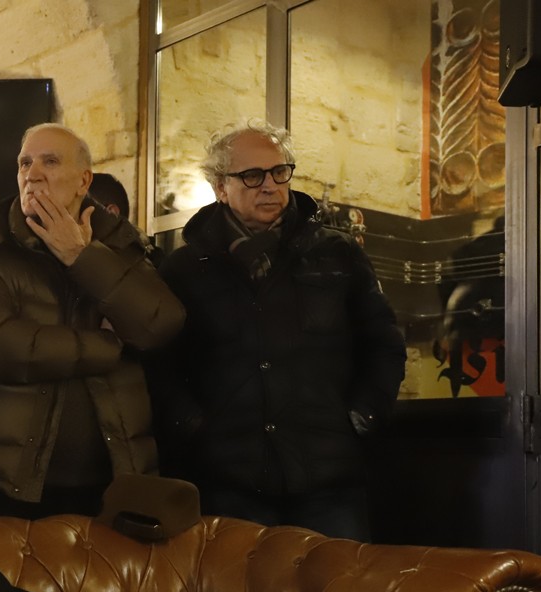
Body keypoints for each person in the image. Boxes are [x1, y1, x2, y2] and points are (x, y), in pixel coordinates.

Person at [147, 121, 406, 540]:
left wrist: (363, 416)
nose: (269, 186)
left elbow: (383, 344)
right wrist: (193, 426)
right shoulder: (185, 268)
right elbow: (161, 363)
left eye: (279, 172)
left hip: (329, 477)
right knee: (238, 584)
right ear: (220, 187)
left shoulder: (336, 253)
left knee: (336, 583)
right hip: (227, 478)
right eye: (252, 175)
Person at [0, 123, 184, 519]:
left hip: (114, 477)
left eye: (50, 161)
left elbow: (160, 324)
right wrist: (108, 345)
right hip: (10, 481)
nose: (32, 174)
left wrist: (83, 257)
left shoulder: (118, 243)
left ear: (83, 181)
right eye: (25, 163)